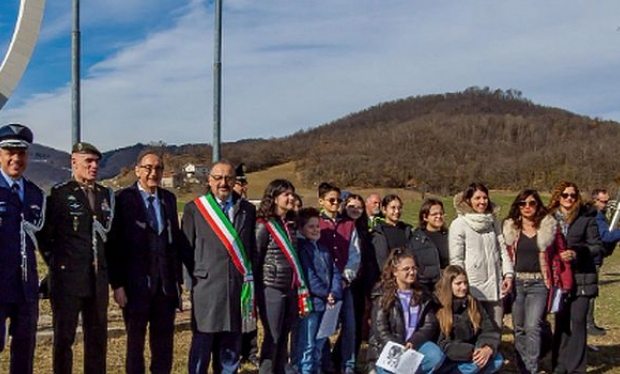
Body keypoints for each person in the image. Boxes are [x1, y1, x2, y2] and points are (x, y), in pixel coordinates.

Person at [38, 142, 114, 374]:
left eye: (96, 162)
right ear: (74, 163)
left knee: (97, 339)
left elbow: (109, 238)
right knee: (64, 339)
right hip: (67, 280)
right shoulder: (60, 194)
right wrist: (59, 265)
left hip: (97, 280)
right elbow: (46, 237)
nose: (93, 167)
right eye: (88, 162)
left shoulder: (105, 195)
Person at [107, 150, 183, 374]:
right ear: (137, 170)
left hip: (164, 286)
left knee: (163, 343)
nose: (153, 173)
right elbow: (114, 246)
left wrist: (177, 281)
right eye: (148, 168)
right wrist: (117, 285)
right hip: (134, 286)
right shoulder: (122, 199)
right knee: (135, 344)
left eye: (158, 168)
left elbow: (174, 244)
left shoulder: (168, 199)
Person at [181, 160, 257, 374]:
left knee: (231, 346)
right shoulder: (194, 209)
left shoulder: (247, 209)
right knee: (202, 344)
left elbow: (250, 247)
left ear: (234, 181)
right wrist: (193, 280)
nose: (223, 183)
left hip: (236, 286)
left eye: (228, 178)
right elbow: (186, 249)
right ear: (209, 180)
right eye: (218, 178)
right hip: (206, 286)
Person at [503, 189, 572, 374]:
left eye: (531, 203)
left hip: (539, 284)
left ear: (538, 205)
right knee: (518, 328)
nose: (527, 207)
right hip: (516, 283)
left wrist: (566, 259)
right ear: (517, 206)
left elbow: (560, 252)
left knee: (533, 326)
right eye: (523, 203)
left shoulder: (549, 226)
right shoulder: (510, 228)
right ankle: (522, 365)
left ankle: (531, 369)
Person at [0, 124, 45, 374]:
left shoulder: (35, 195)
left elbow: (45, 240)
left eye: (21, 153)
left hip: (26, 289)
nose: (16, 158)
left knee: (24, 353)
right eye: (9, 151)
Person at [255, 179, 310, 374]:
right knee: (273, 336)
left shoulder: (292, 224)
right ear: (274, 197)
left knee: (284, 335)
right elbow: (256, 259)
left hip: (291, 287)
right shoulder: (263, 225)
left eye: (292, 194)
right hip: (271, 287)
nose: (290, 197)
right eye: (285, 194)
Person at [547, 182, 603, 374]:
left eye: (572, 195)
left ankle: (577, 368)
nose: (569, 198)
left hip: (582, 277)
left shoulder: (587, 217)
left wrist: (577, 252)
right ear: (557, 197)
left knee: (578, 321)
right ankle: (559, 365)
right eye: (565, 195)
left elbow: (597, 247)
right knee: (561, 321)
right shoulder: (550, 219)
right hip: (560, 279)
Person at [366, 249, 444, 374]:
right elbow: (380, 328)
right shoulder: (382, 294)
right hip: (391, 346)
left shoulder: (422, 294)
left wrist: (414, 341)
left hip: (414, 344)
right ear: (395, 272)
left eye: (414, 268)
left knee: (435, 356)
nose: (412, 272)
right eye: (406, 269)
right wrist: (399, 346)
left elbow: (430, 324)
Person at [449, 183, 513, 329]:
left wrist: (508, 274)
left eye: (485, 198)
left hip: (495, 286)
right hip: (472, 287)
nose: (482, 202)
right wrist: (461, 286)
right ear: (468, 200)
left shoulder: (493, 222)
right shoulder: (459, 224)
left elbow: (502, 249)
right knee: (475, 328)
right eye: (477, 198)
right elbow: (456, 259)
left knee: (496, 327)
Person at [317, 182, 361, 374]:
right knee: (323, 328)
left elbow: (355, 254)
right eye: (331, 200)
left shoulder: (348, 225)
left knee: (349, 327)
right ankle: (325, 365)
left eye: (338, 200)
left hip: (344, 283)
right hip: (322, 285)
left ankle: (347, 365)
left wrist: (345, 278)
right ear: (322, 201)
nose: (336, 203)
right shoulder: (316, 223)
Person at [295, 207, 343, 374]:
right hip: (312, 305)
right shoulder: (302, 249)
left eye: (317, 226)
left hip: (327, 306)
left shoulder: (323, 249)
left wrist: (335, 292)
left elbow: (335, 272)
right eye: (311, 227)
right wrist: (325, 293)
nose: (315, 230)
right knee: (307, 345)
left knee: (320, 344)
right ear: (301, 229)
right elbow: (309, 276)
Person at [435, 265, 504, 374]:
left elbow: (489, 329)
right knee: (475, 366)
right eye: (458, 284)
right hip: (451, 358)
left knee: (497, 359)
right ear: (449, 285)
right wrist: (471, 352)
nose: (464, 287)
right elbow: (443, 343)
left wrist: (487, 347)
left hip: (473, 352)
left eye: (465, 283)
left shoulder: (473, 303)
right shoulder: (439, 307)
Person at [372, 194, 441, 290]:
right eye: (393, 208)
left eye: (399, 208)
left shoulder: (407, 230)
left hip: (408, 280)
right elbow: (379, 260)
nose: (397, 211)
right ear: (384, 210)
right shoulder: (378, 232)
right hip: (387, 282)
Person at [343, 193, 380, 361]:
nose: (356, 210)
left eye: (359, 207)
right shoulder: (342, 228)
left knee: (356, 324)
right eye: (352, 207)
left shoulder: (364, 230)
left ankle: (349, 361)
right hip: (344, 281)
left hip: (360, 282)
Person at [231, 162, 259, 367]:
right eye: (240, 183)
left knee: (249, 310)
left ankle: (250, 350)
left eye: (244, 183)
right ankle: (237, 350)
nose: (243, 187)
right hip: (229, 269)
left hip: (247, 268)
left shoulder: (248, 208)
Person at [587, 188, 619, 336]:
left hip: (594, 258)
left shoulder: (598, 214)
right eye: (603, 202)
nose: (606, 204)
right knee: (590, 292)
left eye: (607, 201)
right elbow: (606, 236)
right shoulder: (595, 216)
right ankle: (588, 323)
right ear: (595, 200)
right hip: (591, 259)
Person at [418, 198, 450, 270]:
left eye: (441, 213)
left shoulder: (449, 236)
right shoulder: (417, 238)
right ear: (425, 217)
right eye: (434, 214)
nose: (439, 216)